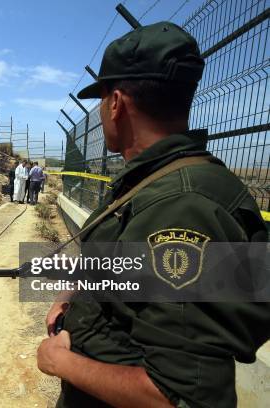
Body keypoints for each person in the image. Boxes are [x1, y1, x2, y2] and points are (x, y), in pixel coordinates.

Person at [36, 21, 269, 408]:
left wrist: (61, 362)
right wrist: (72, 295)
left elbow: (181, 396)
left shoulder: (183, 207)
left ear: (116, 103)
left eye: (101, 98)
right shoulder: (155, 183)